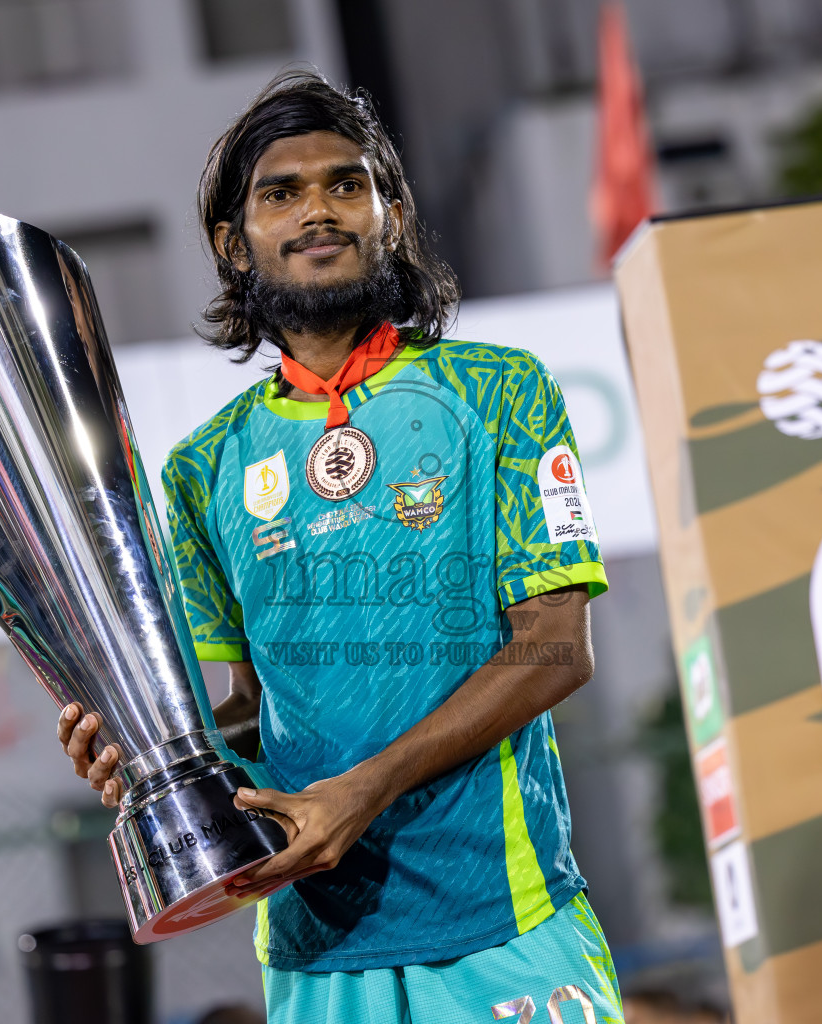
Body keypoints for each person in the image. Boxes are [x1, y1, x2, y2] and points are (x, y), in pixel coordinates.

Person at [55, 68, 621, 1024]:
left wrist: (362, 791)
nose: (319, 211)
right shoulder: (202, 469)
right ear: (235, 244)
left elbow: (558, 644)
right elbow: (241, 712)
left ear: (388, 214)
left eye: (346, 184)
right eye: (282, 193)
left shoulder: (499, 389)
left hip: (505, 921)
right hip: (317, 953)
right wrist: (145, 746)